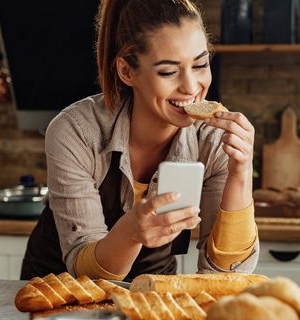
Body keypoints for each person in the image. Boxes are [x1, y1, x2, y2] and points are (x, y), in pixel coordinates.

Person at [20, 0, 259, 281]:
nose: (192, 87)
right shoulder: (76, 131)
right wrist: (131, 232)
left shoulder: (213, 140)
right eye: (169, 71)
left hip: (151, 288)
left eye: (200, 64)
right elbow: (84, 269)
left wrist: (241, 173)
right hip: (59, 289)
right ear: (127, 71)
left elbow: (227, 275)